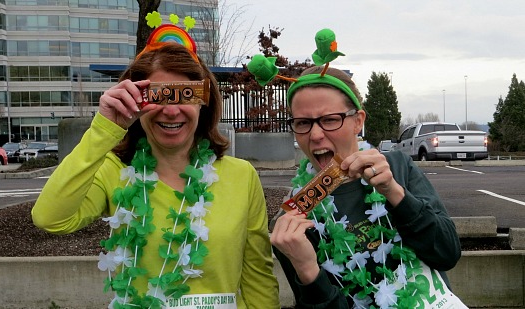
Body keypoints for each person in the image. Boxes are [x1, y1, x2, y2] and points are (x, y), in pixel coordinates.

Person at [32, 15, 280, 309]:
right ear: (135, 101)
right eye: (157, 97)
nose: (171, 111)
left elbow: (258, 277)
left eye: (184, 95)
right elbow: (50, 219)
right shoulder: (115, 171)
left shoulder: (242, 176)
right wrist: (103, 129)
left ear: (204, 101)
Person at [249, 29, 464, 308]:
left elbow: (447, 254)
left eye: (330, 119)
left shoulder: (397, 167)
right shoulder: (293, 219)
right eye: (303, 122)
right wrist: (307, 270)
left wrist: (395, 193)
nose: (315, 135)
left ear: (357, 121)